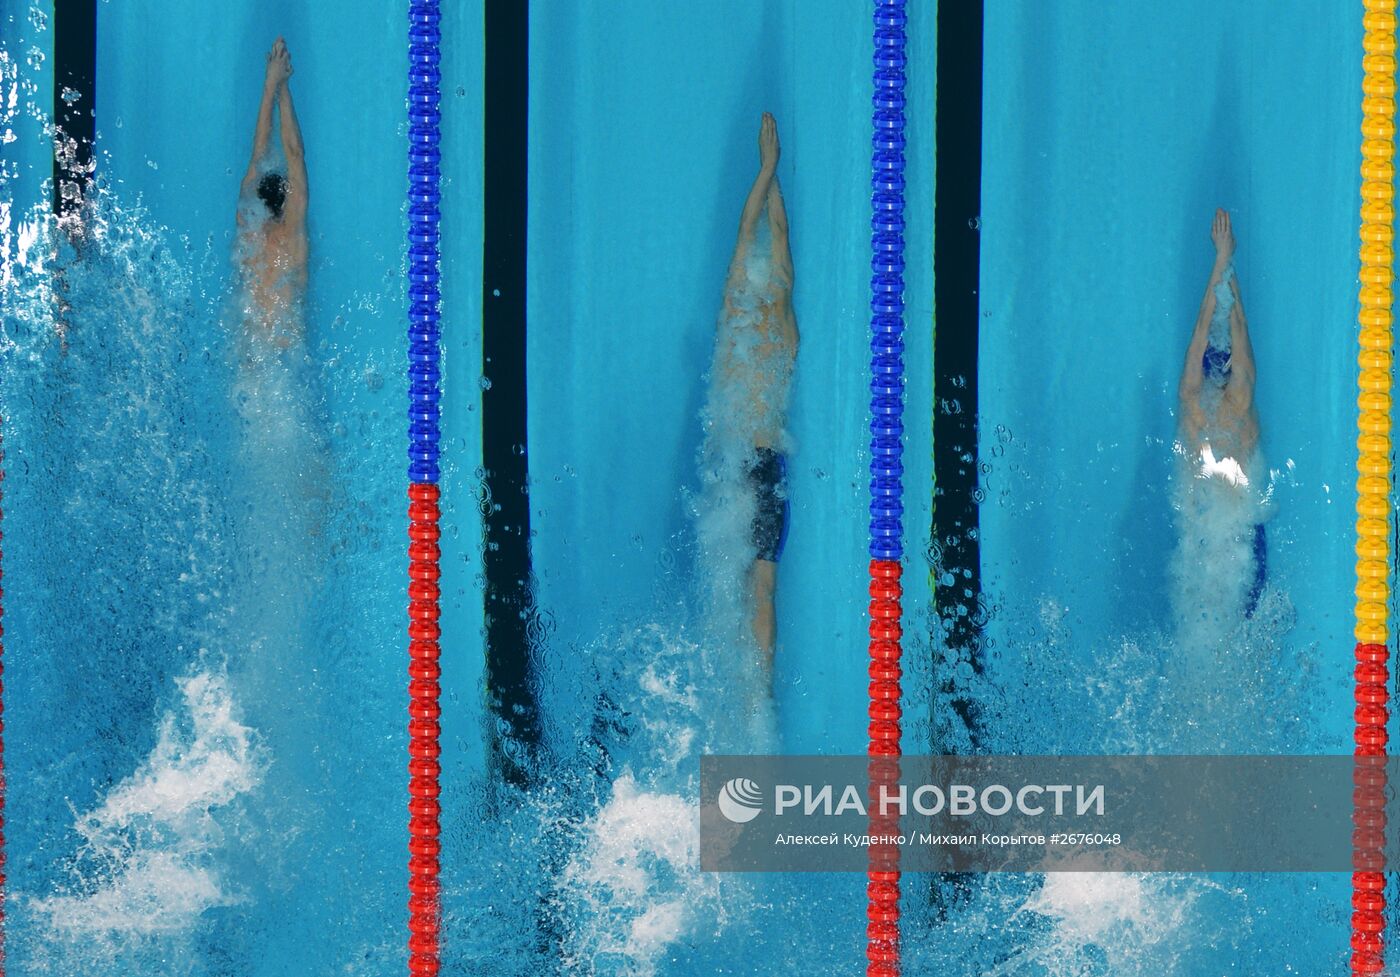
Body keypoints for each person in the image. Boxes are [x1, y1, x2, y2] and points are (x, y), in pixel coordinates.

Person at [715, 112, 799, 684]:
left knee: (735, 577)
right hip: (770, 464)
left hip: (736, 464)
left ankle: (740, 673)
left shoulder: (733, 322)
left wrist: (767, 169)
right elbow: (777, 238)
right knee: (762, 583)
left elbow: (750, 234)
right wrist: (777, 177)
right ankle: (759, 690)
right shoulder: (786, 333)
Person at [1176, 208, 1266, 617]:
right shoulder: (1242, 398)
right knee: (1246, 619)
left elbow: (1199, 331)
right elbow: (1241, 329)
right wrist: (1230, 261)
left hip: (1200, 526)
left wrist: (1219, 258)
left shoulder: (1190, 399)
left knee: (1201, 612)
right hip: (1242, 527)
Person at [237, 37, 308, 342]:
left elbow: (259, 151)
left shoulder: (247, 229)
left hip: (249, 359)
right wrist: (284, 89)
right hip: (285, 357)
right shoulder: (292, 236)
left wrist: (270, 83)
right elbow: (294, 153)